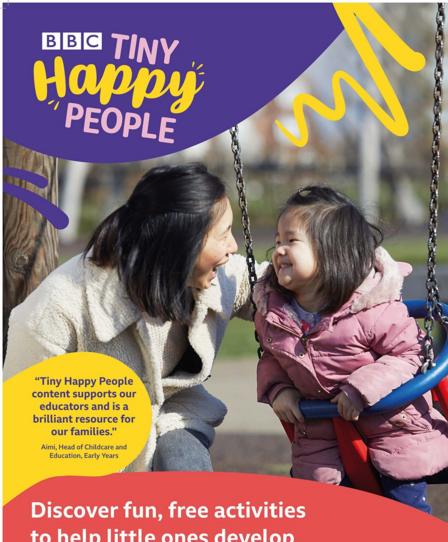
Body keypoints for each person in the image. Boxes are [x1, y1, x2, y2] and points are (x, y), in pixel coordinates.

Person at [4, 163, 263, 472]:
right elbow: (19, 420)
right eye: (223, 236)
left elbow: (280, 286)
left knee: (187, 476)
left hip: (176, 417)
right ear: (181, 243)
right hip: (90, 446)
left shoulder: (218, 275)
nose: (233, 247)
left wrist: (326, 266)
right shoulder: (61, 309)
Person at [254, 185, 448, 512]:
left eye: (291, 241)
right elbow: (272, 358)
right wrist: (278, 390)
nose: (278, 250)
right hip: (323, 438)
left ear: (332, 252)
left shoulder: (372, 307)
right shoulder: (276, 315)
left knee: (404, 516)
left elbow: (409, 354)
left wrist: (360, 389)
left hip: (394, 429)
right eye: (277, 240)